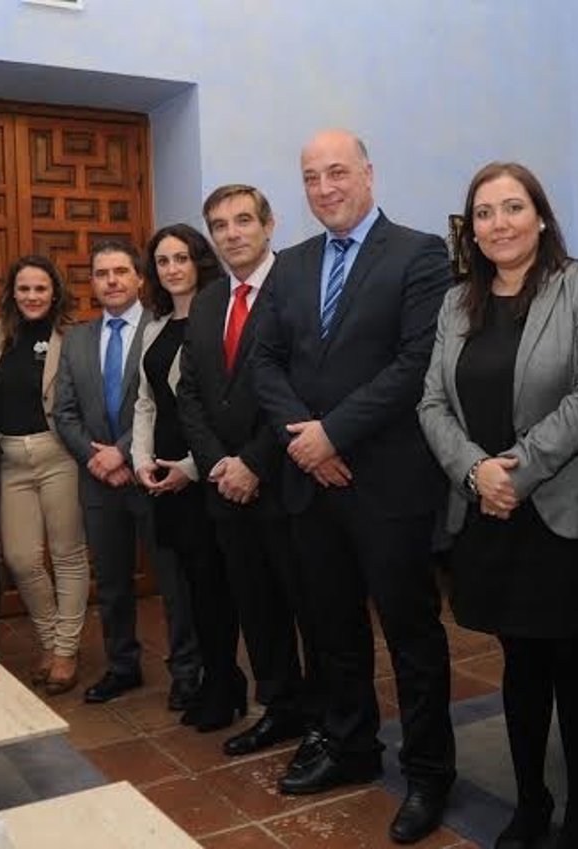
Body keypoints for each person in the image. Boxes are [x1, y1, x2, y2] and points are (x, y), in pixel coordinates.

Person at [253, 129, 455, 844]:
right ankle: (351, 744)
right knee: (332, 630)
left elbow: (416, 361)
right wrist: (305, 443)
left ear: (368, 173)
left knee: (411, 635)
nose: (325, 187)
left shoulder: (421, 252)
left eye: (337, 171)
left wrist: (332, 433)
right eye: (311, 177)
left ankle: (429, 770)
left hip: (388, 482)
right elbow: (265, 362)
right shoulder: (293, 264)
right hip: (311, 482)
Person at [418, 162, 578, 849]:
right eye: (484, 213)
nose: (499, 224)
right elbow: (431, 401)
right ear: (471, 230)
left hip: (560, 511)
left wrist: (517, 471)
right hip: (485, 513)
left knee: (576, 666)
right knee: (521, 664)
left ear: (540, 215)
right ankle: (531, 801)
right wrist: (476, 473)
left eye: (512, 208)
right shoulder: (456, 303)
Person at [176, 184, 316, 757]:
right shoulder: (209, 300)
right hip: (226, 492)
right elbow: (190, 393)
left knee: (311, 608)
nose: (231, 233)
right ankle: (279, 707)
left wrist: (254, 461)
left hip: (285, 480)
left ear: (269, 224)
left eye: (242, 221)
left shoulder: (298, 289)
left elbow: (303, 385)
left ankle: (326, 715)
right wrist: (218, 465)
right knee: (256, 608)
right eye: (219, 225)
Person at [53, 238, 201, 707]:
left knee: (173, 582)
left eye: (121, 271)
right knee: (113, 583)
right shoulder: (76, 338)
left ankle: (186, 672)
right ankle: (122, 666)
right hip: (99, 484)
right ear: (92, 283)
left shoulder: (162, 330)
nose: (111, 281)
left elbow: (164, 407)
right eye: (101, 274)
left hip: (154, 476)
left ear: (140, 278)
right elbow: (64, 412)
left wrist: (121, 453)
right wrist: (97, 460)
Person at [130, 223, 236, 730]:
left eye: (181, 258)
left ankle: (222, 685)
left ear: (200, 262)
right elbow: (147, 402)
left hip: (204, 476)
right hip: (163, 475)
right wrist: (142, 460)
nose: (172, 269)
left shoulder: (217, 321)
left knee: (215, 589)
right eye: (163, 261)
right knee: (191, 587)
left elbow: (221, 412)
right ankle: (218, 680)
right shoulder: (154, 327)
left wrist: (190, 470)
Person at [0, 255, 90, 695]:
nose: (32, 296)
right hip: (10, 460)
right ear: (13, 292)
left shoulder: (72, 337)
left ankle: (64, 650)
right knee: (21, 558)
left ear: (55, 293)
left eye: (41, 288)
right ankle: (50, 640)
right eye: (24, 288)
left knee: (68, 554)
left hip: (58, 457)